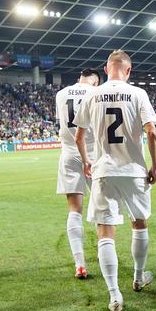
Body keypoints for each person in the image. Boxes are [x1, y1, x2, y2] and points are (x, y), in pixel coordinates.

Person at [74, 50, 156, 311]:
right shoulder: (138, 94)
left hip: (104, 170)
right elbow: (152, 132)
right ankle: (138, 276)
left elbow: (79, 136)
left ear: (107, 68)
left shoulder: (91, 95)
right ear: (129, 70)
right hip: (134, 170)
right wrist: (154, 164)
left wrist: (87, 161)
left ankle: (114, 295)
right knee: (139, 223)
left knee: (105, 231)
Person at [54, 68, 100, 279]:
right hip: (94, 155)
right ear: (95, 81)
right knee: (103, 206)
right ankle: (105, 251)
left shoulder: (61, 94)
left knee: (74, 209)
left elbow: (63, 123)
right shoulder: (96, 93)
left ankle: (80, 264)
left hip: (69, 154)